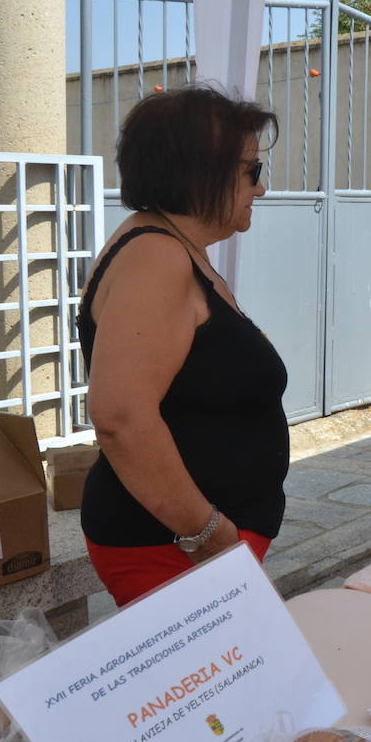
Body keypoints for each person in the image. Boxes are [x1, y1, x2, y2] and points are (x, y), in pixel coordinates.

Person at [80, 86, 288, 607]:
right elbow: (121, 417)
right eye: (251, 172)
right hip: (174, 546)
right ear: (201, 174)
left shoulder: (174, 248)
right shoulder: (157, 257)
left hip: (191, 544)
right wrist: (210, 536)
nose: (259, 189)